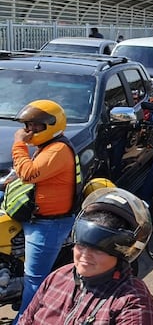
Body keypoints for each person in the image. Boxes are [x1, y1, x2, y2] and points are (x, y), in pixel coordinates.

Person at [18, 187, 153, 324]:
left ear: (121, 252)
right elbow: (26, 319)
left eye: (98, 250)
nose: (85, 255)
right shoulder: (59, 276)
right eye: (81, 245)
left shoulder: (132, 300)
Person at [11, 100, 81, 321]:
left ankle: (26, 319)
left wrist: (18, 144)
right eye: (27, 126)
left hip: (48, 222)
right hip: (34, 214)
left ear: (51, 125)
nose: (28, 131)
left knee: (35, 278)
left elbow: (28, 173)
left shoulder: (58, 149)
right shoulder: (48, 145)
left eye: (34, 126)